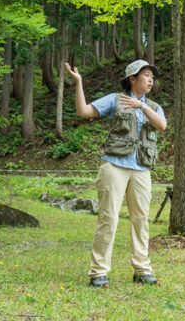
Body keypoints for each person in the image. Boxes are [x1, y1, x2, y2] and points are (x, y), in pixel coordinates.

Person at [65, 59, 167, 288]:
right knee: (108, 218)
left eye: (152, 76)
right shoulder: (115, 100)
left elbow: (162, 125)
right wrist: (79, 82)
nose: (151, 80)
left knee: (141, 220)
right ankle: (98, 272)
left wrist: (141, 106)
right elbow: (83, 110)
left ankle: (142, 270)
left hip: (141, 169)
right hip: (114, 166)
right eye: (146, 75)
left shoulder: (154, 106)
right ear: (133, 78)